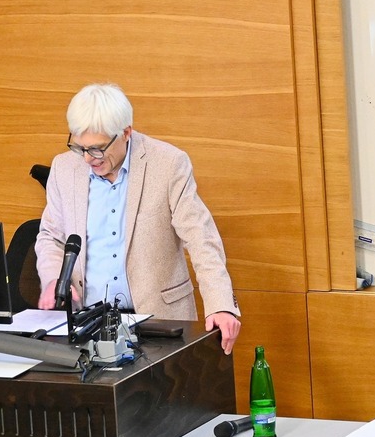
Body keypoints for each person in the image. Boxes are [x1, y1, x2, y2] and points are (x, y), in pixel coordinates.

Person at [35, 83, 241, 353]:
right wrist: (53, 279)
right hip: (87, 323)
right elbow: (51, 236)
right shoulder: (64, 168)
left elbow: (200, 237)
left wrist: (221, 305)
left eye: (97, 149)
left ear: (126, 133)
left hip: (159, 323)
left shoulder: (168, 163)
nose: (87, 159)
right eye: (80, 147)